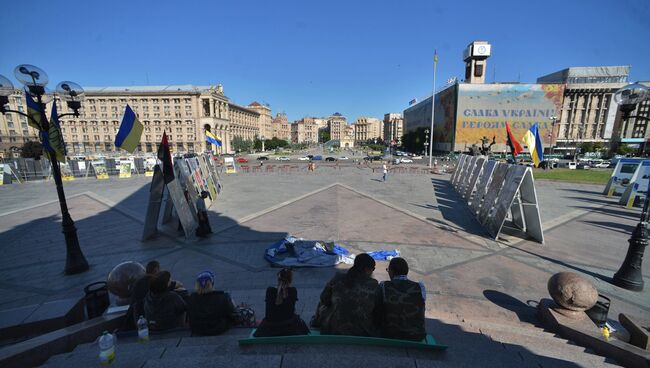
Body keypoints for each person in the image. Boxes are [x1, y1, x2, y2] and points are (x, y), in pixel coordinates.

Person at [311, 253, 379, 336]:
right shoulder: (374, 284)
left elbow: (324, 298)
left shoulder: (338, 278)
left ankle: (316, 322)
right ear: (367, 269)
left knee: (323, 303)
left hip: (334, 328)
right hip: (363, 330)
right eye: (373, 269)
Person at [376, 258, 426, 341]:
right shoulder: (420, 287)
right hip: (417, 335)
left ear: (391, 271)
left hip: (389, 334)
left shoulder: (384, 286)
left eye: (388, 270)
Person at [254, 268, 309, 337]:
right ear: (290, 280)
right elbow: (291, 310)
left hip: (270, 327)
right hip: (288, 327)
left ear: (278, 279)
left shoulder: (270, 290)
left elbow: (269, 311)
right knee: (297, 319)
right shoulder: (293, 291)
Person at [187, 271, 238, 335]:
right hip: (217, 328)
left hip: (197, 329)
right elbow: (233, 315)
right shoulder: (222, 297)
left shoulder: (192, 297)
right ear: (212, 283)